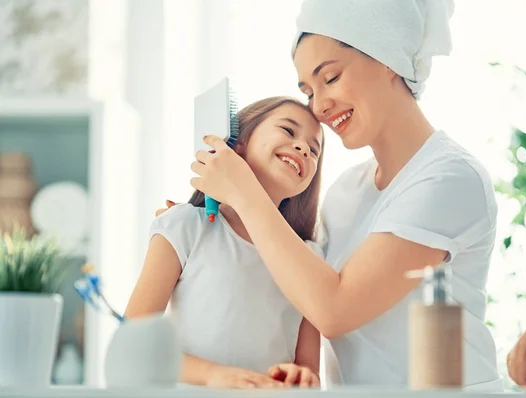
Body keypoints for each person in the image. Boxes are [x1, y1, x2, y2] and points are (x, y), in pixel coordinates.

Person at [174, 0, 503, 391]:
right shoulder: (347, 190)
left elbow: (334, 309)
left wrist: (242, 190)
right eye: (308, 91)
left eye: (330, 78)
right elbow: (297, 279)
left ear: (387, 58)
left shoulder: (449, 178)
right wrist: (199, 232)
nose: (319, 106)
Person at [126, 96, 326, 389]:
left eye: (314, 150)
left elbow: (308, 368)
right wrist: (214, 375)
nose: (303, 149)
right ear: (238, 143)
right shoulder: (185, 226)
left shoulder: (310, 259)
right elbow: (135, 344)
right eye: (287, 130)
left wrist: (303, 376)